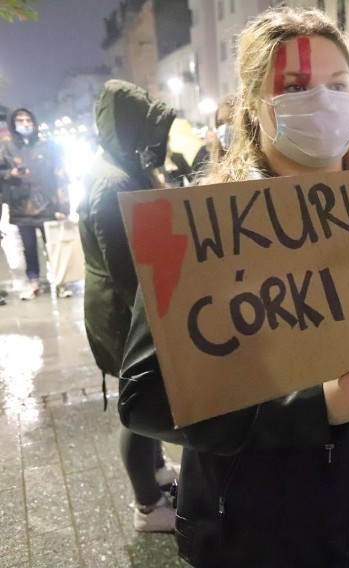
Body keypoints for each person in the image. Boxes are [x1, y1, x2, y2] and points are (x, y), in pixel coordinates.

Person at [118, 7, 349, 567]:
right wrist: (316, 408)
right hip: (269, 533)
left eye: (338, 84)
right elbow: (144, 397)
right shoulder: (204, 230)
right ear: (254, 105)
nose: (323, 98)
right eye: (295, 85)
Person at [77, 80, 179, 532]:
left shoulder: (118, 166)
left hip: (119, 311)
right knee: (139, 407)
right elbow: (128, 273)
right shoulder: (113, 183)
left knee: (143, 397)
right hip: (123, 317)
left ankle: (155, 473)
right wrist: (161, 318)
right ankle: (147, 506)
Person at [0, 108, 70, 300]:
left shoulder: (45, 145)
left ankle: (61, 282)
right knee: (29, 247)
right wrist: (10, 174)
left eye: (28, 119)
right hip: (21, 207)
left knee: (54, 245)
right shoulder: (6, 147)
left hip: (48, 205)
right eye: (20, 120)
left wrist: (63, 206)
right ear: (13, 124)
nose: (25, 123)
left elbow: (60, 174)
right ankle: (34, 282)